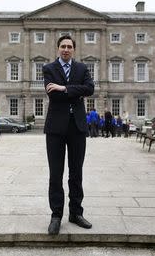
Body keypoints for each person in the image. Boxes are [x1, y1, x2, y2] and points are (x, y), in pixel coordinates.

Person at [43, 35, 95, 235]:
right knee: (55, 174)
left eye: (69, 46)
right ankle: (56, 215)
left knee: (76, 173)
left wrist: (64, 88)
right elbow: (52, 93)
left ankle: (76, 213)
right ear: (58, 49)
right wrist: (75, 92)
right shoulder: (49, 69)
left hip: (77, 127)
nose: (66, 49)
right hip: (55, 128)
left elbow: (89, 89)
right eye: (63, 46)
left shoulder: (82, 68)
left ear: (74, 49)